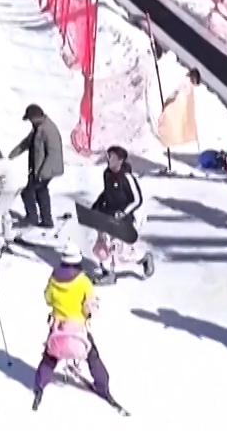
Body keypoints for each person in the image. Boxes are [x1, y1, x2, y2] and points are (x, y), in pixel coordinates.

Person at [34, 249, 115, 410]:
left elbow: (48, 299)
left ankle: (40, 383)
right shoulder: (84, 281)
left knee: (49, 357)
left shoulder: (53, 278)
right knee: (93, 357)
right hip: (78, 329)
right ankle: (103, 387)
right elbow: (90, 307)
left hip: (58, 328)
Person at [87, 146, 152, 282]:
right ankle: (108, 274)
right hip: (107, 214)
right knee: (103, 245)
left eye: (111, 157)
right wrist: (96, 206)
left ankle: (144, 257)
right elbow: (107, 192)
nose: (108, 159)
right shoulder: (107, 174)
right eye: (108, 156)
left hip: (125, 218)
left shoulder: (127, 178)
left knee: (122, 252)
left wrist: (123, 213)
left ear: (120, 160)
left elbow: (137, 200)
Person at [10, 104, 64, 231]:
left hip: (46, 169)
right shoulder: (38, 128)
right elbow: (27, 142)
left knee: (28, 192)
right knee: (41, 192)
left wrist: (43, 173)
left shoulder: (49, 130)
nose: (30, 122)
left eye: (30, 119)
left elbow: (53, 154)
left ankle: (32, 218)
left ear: (36, 117)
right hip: (38, 169)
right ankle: (47, 220)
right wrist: (13, 154)